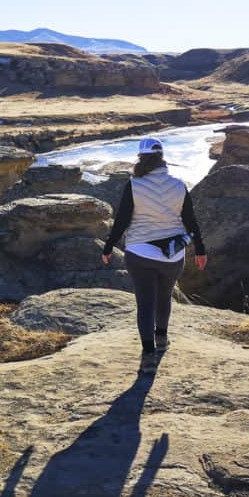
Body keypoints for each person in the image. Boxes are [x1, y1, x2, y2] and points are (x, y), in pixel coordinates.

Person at [101, 137, 207, 375]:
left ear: (140, 158)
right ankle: (162, 337)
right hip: (172, 255)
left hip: (139, 252)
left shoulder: (133, 185)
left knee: (145, 302)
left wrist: (108, 247)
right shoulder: (179, 185)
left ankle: (148, 352)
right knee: (165, 296)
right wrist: (200, 249)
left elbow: (122, 221)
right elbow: (190, 220)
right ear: (162, 158)